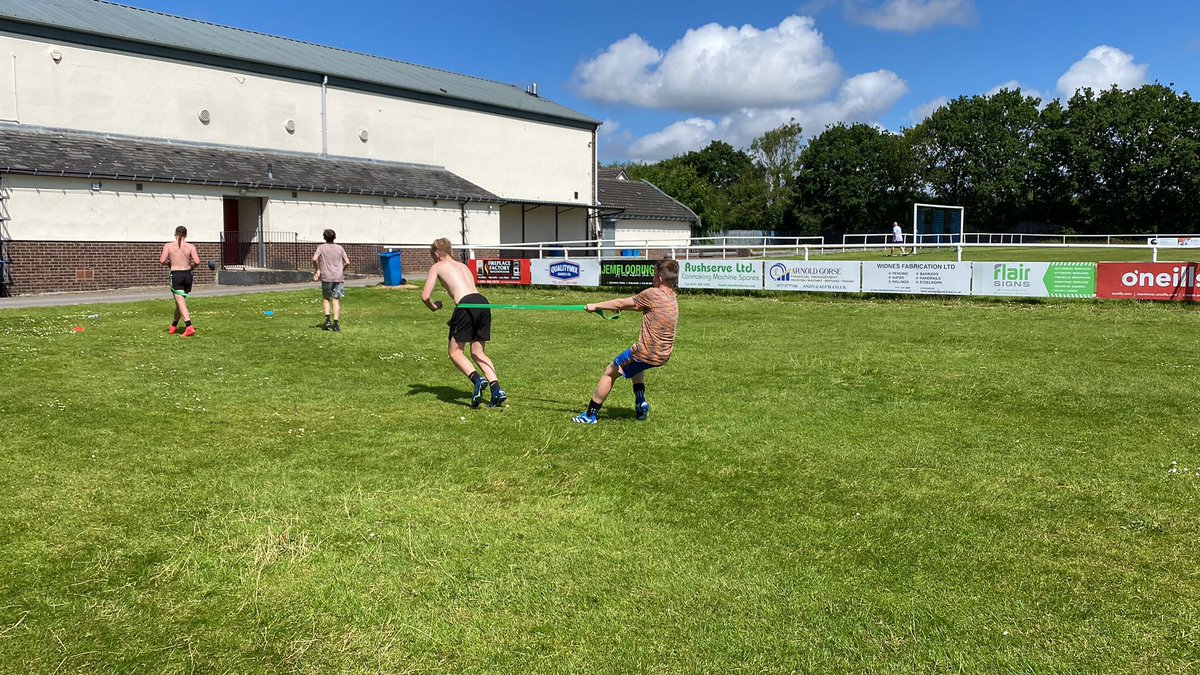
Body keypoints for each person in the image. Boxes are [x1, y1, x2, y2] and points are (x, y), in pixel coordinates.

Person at [573, 258, 679, 425]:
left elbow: (621, 303)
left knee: (610, 372)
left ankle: (590, 415)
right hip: (663, 355)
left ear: (659, 279)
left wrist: (595, 306)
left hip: (645, 353)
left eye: (654, 276)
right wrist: (615, 308)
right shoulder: (671, 296)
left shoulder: (652, 293)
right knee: (637, 366)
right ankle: (640, 403)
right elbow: (638, 306)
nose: (652, 279)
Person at [421, 237, 506, 408]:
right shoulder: (463, 266)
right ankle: (497, 390)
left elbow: (425, 296)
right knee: (478, 352)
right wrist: (456, 317)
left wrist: (434, 307)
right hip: (482, 302)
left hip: (465, 305)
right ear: (451, 251)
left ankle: (477, 380)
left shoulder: (437, 267)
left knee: (455, 352)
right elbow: (470, 294)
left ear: (435, 254)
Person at [159, 225, 200, 337]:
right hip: (188, 275)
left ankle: (189, 326)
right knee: (179, 302)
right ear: (186, 235)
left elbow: (162, 260)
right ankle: (173, 325)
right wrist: (191, 267)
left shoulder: (168, 246)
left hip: (176, 275)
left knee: (180, 302)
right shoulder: (190, 246)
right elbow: (197, 261)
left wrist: (169, 263)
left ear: (175, 234)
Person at [312, 229, 351, 331]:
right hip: (338, 276)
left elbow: (314, 259)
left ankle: (327, 320)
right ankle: (336, 324)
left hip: (326, 276)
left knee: (326, 298)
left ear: (324, 237)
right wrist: (341, 269)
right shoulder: (340, 248)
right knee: (336, 299)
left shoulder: (321, 247)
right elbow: (347, 262)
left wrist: (317, 270)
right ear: (334, 237)